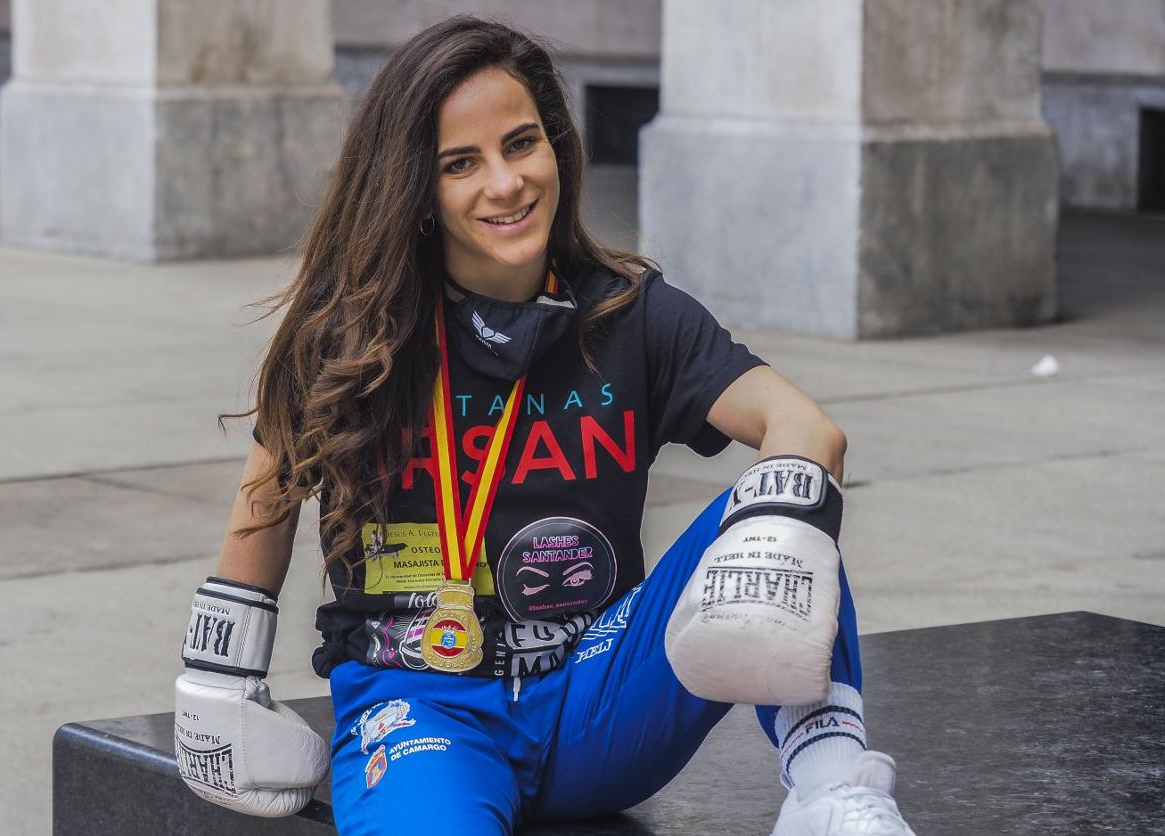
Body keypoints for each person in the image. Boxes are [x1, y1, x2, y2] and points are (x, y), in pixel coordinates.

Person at [173, 15, 917, 836]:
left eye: (522, 144)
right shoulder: (347, 333)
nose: (505, 183)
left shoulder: (634, 317)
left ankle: (832, 793)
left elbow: (806, 428)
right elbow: (266, 499)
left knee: (786, 505)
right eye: (462, 163)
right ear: (416, 188)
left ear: (557, 147)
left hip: (597, 700)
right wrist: (220, 681)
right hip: (422, 710)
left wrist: (773, 532)